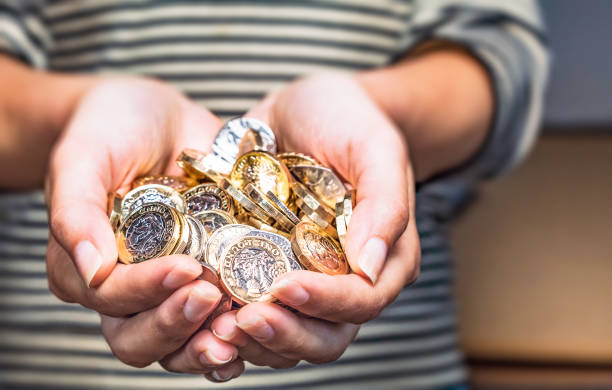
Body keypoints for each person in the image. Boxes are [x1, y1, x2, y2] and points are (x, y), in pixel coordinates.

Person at [0, 1, 548, 389]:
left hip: (393, 370)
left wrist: (385, 113)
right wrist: (72, 118)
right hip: (55, 365)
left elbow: (499, 55)